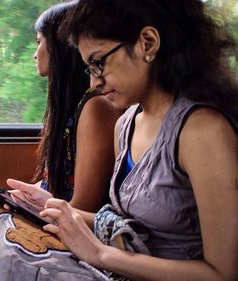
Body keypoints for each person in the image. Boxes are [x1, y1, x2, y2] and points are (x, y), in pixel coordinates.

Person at [35, 0, 237, 280]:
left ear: (148, 43)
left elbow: (223, 273)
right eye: (88, 68)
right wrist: (55, 211)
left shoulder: (202, 132)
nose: (94, 82)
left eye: (98, 62)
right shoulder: (125, 125)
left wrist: (100, 254)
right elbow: (135, 229)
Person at [0, 1, 120, 279]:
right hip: (56, 213)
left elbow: (84, 207)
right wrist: (17, 199)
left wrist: (24, 210)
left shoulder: (95, 108)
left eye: (39, 43)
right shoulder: (69, 107)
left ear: (61, 48)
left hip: (76, 228)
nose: (35, 53)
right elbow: (57, 184)